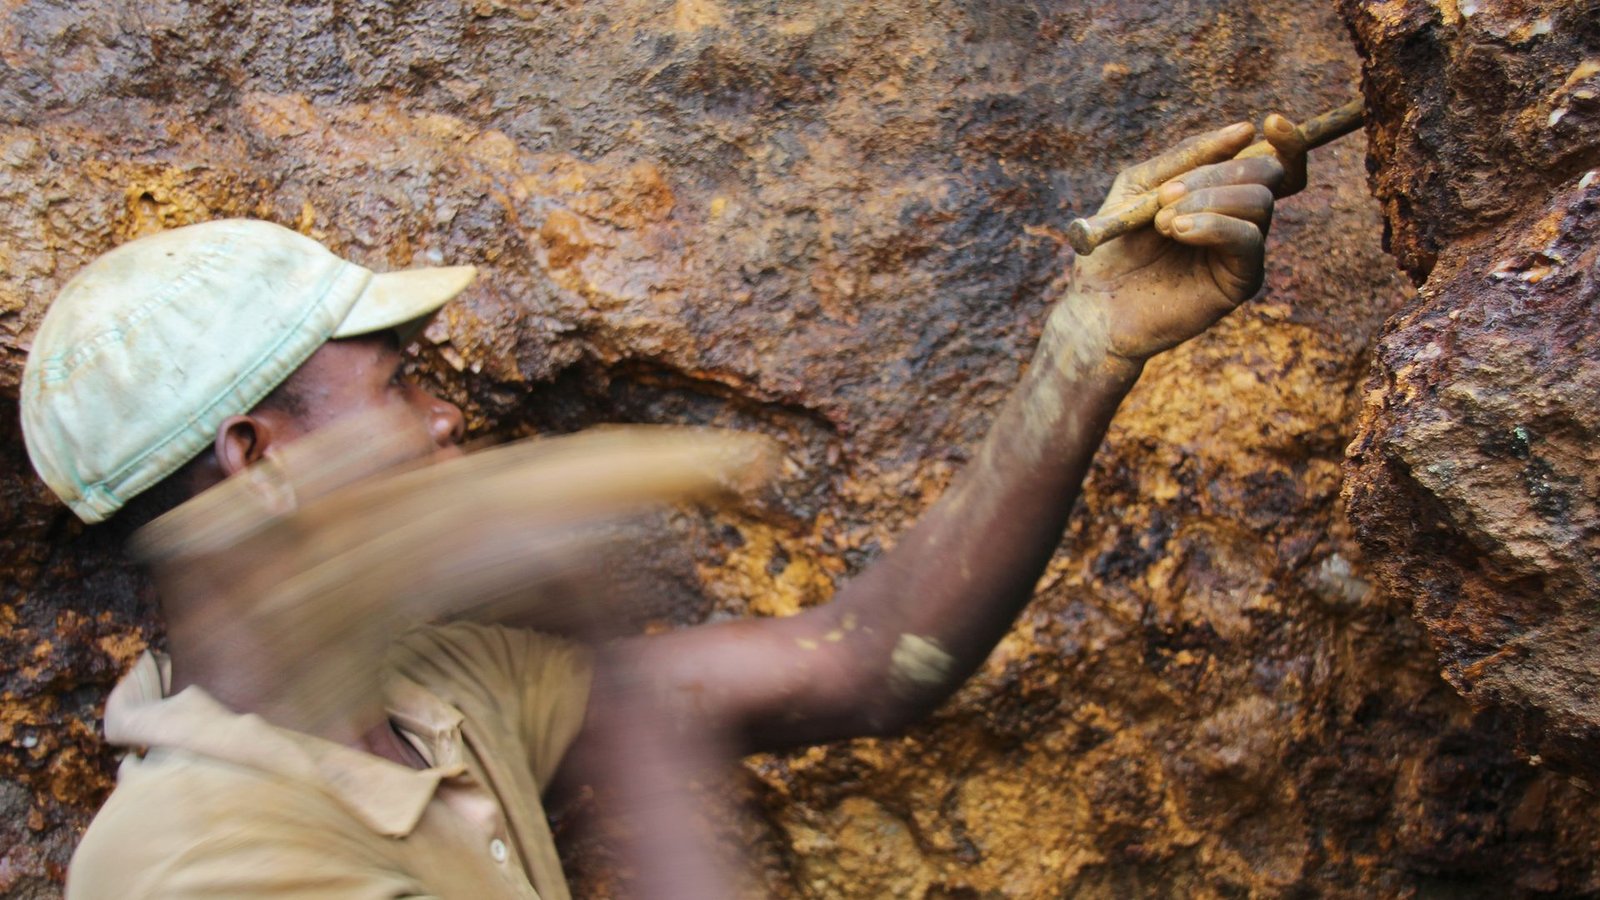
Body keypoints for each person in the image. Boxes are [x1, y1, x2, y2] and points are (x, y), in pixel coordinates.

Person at [25, 117, 1307, 898]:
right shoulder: (196, 865)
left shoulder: (428, 696)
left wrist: (1083, 345)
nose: (444, 419)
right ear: (259, 458)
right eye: (399, 385)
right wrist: (593, 612)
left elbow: (863, 664)